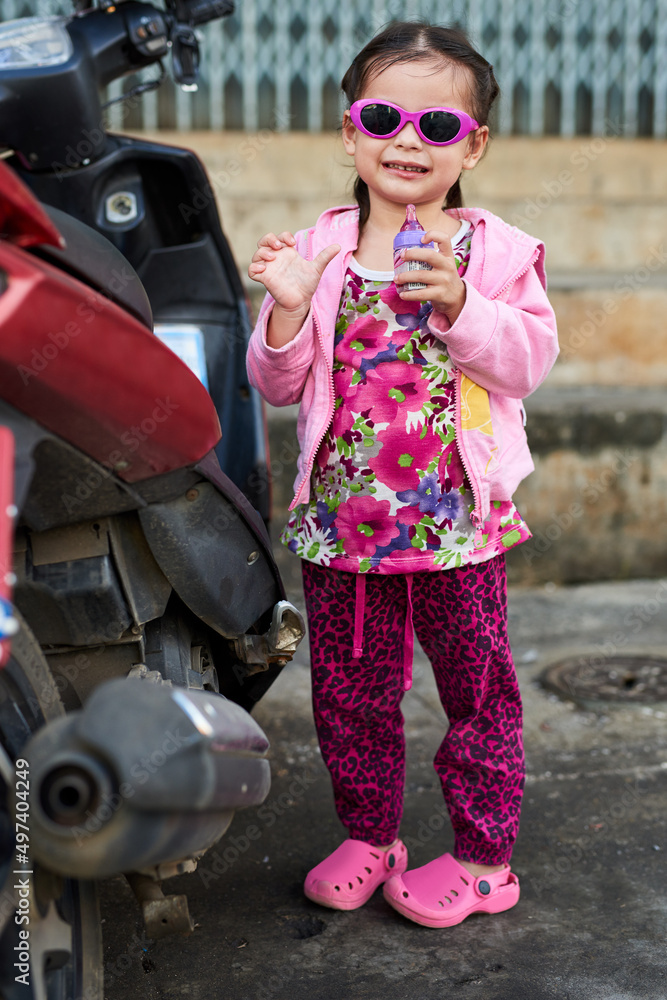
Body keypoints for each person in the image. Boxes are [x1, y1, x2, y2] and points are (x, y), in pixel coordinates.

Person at [246, 21, 558, 929]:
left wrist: (464, 309)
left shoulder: (497, 254)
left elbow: (525, 363)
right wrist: (288, 310)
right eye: (383, 117)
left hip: (458, 526)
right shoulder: (322, 249)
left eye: (437, 126)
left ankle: (482, 857)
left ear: (474, 146)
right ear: (351, 134)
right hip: (344, 528)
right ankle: (369, 836)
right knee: (349, 694)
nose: (406, 142)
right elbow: (277, 385)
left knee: (476, 689)